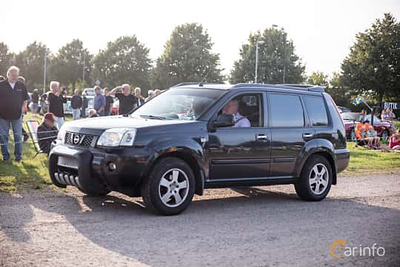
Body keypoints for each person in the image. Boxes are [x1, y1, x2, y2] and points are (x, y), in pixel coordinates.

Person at [0, 66, 30, 162]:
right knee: (3, 136)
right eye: (13, 75)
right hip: (3, 116)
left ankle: (18, 157)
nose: (15, 77)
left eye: (16, 75)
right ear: (8, 75)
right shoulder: (1, 85)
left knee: (18, 136)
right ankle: (6, 156)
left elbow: (25, 99)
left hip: (17, 116)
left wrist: (23, 107)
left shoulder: (21, 85)